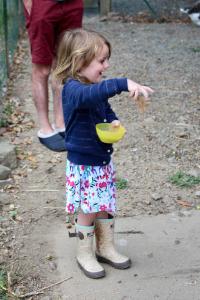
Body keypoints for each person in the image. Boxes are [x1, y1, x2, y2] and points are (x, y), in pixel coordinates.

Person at [53, 29, 154, 279]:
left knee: (105, 205)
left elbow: (104, 107)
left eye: (107, 59)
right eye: (101, 60)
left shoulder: (93, 86)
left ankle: (106, 247)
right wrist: (121, 83)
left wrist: (114, 121)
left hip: (101, 162)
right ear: (79, 61)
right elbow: (91, 97)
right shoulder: (73, 89)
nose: (106, 65)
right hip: (84, 165)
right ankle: (84, 252)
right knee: (88, 209)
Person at [22, 0, 83, 151]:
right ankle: (45, 128)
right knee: (42, 67)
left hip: (73, 4)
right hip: (42, 4)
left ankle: (61, 122)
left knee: (64, 64)